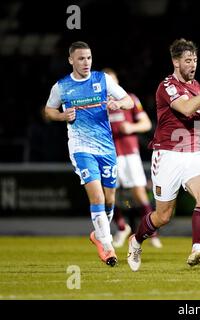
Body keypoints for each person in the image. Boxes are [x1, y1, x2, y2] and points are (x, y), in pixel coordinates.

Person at [126, 38, 200, 271]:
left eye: (195, 60)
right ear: (176, 62)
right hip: (168, 155)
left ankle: (197, 248)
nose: (192, 64)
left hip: (194, 153)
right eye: (187, 60)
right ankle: (136, 240)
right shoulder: (167, 86)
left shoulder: (197, 87)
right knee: (163, 216)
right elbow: (186, 108)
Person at [45, 41, 133, 267]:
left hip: (106, 147)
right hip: (81, 147)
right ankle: (107, 245)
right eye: (81, 58)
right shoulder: (62, 86)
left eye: (89, 58)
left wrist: (118, 104)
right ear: (71, 60)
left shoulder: (102, 80)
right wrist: (62, 116)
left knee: (110, 198)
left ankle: (98, 235)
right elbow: (48, 111)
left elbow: (129, 100)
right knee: (97, 197)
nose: (86, 62)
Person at [103, 68, 162, 249]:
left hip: (130, 154)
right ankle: (122, 227)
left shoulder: (129, 99)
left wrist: (130, 128)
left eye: (112, 82)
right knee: (108, 193)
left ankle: (151, 232)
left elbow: (146, 124)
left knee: (138, 193)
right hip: (109, 154)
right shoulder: (98, 103)